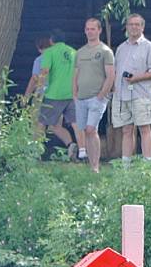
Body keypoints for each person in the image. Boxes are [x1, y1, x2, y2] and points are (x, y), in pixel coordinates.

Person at [112, 13, 151, 163]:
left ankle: (146, 165)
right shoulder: (121, 48)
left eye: (137, 24)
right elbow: (116, 71)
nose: (134, 27)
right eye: (131, 24)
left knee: (144, 128)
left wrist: (136, 78)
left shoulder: (148, 47)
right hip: (122, 95)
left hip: (141, 94)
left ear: (142, 27)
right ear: (126, 27)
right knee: (126, 130)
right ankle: (126, 166)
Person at [73, 17, 115, 172]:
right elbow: (76, 74)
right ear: (85, 31)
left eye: (93, 29)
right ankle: (92, 165)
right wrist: (74, 94)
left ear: (99, 30)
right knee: (85, 131)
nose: (90, 32)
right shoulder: (80, 52)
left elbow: (110, 75)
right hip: (81, 98)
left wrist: (101, 95)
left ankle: (96, 167)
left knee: (91, 129)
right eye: (88, 29)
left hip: (96, 98)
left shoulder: (105, 51)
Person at [38, 29, 81, 158]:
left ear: (51, 40)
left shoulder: (49, 52)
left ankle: (35, 151)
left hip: (53, 94)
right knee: (72, 124)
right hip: (71, 94)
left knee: (42, 122)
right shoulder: (74, 52)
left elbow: (44, 72)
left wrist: (40, 90)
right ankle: (74, 146)